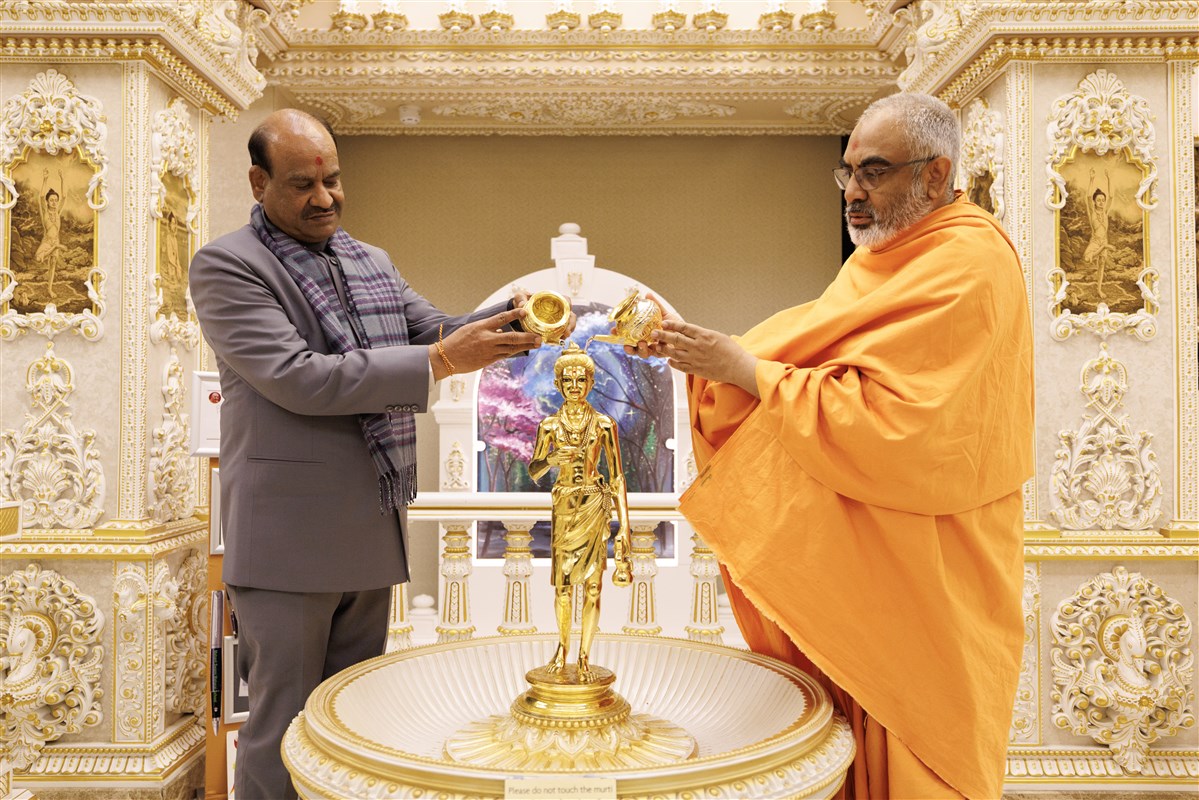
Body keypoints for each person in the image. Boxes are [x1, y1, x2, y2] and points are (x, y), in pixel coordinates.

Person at [628, 92, 1033, 799]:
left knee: (919, 754)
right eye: (845, 172)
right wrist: (712, 359)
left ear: (934, 176)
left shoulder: (969, 262)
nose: (853, 193)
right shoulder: (881, 259)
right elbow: (813, 359)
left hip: (930, 565)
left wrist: (738, 368)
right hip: (868, 560)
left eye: (873, 172)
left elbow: (898, 425)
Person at [188, 108, 550, 800]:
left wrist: (505, 318)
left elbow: (434, 328)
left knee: (345, 725)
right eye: (302, 185)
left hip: (369, 533)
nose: (324, 198)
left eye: (332, 180)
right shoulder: (228, 266)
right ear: (258, 182)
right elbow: (300, 377)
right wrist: (445, 357)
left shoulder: (369, 261)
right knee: (282, 727)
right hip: (289, 543)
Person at [527, 342, 633, 682]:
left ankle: (585, 656)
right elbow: (534, 470)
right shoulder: (549, 426)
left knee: (593, 586)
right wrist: (551, 460)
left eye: (581, 380)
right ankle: (561, 649)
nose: (575, 386)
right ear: (558, 385)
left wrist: (626, 528)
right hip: (564, 505)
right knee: (562, 587)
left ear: (591, 383)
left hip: (593, 504)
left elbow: (616, 477)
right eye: (568, 381)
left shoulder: (603, 424)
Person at [1083, 167, 1116, 300]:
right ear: (1095, 202)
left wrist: (1109, 179)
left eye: (1103, 200)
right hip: (1095, 242)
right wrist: (1091, 179)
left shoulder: (1105, 212)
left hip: (1104, 241)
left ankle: (1099, 289)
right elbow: (1088, 196)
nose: (1101, 202)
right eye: (1099, 200)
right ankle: (1104, 248)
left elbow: (1112, 196)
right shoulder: (1092, 213)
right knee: (1087, 258)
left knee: (1101, 266)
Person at [35, 168, 65, 298]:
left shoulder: (58, 213)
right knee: (38, 258)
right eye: (51, 200)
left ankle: (50, 289)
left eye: (55, 200)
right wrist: (45, 179)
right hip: (47, 242)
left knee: (52, 265)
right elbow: (41, 196)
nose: (54, 202)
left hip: (55, 241)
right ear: (47, 202)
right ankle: (55, 247)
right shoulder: (45, 213)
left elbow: (64, 197)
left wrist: (62, 179)